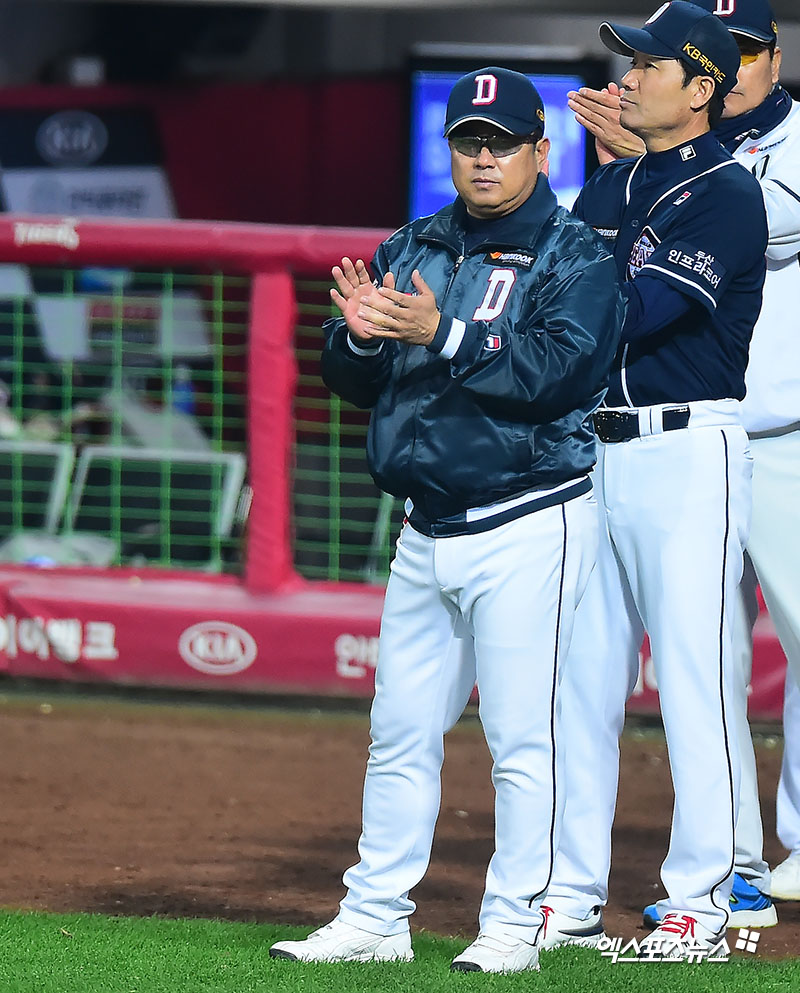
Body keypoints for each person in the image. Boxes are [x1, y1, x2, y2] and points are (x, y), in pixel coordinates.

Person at [269, 66, 622, 973]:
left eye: (501, 143)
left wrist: (443, 333)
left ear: (541, 151)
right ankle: (375, 916)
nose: (484, 158)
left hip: (528, 517)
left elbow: (558, 375)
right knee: (399, 732)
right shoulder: (414, 243)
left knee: (522, 740)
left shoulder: (577, 254)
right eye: (469, 141)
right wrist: (357, 337)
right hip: (424, 526)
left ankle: (514, 925)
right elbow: (353, 379)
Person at [534, 1, 768, 959]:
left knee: (694, 682)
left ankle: (699, 903)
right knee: (579, 681)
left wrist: (555, 302)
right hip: (593, 452)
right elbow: (549, 291)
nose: (624, 78)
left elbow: (628, 312)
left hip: (685, 451)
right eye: (627, 62)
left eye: (647, 64)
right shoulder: (612, 183)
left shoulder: (728, 191)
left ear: (700, 87)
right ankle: (568, 894)